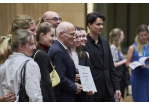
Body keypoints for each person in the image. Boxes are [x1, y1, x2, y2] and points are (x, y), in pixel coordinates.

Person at [82, 12, 121, 102]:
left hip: (108, 89)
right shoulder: (83, 44)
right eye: (98, 24)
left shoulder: (105, 42)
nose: (101, 27)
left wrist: (116, 87)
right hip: (92, 90)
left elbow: (111, 66)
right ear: (89, 25)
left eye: (102, 24)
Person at [0, 29, 42, 102]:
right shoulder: (30, 65)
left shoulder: (3, 63)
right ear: (20, 46)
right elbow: (35, 96)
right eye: (31, 44)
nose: (35, 47)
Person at [48, 22, 82, 102]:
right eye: (72, 34)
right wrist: (74, 87)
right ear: (61, 34)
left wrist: (73, 83)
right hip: (62, 98)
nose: (74, 37)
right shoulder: (58, 51)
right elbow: (60, 77)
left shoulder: (61, 49)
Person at [31, 22, 56, 101]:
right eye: (51, 36)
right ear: (42, 35)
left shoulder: (43, 51)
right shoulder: (40, 54)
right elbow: (46, 83)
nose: (54, 39)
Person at [69, 27, 94, 102]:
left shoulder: (83, 55)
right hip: (70, 92)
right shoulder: (64, 53)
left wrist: (90, 88)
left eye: (80, 37)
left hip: (83, 94)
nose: (79, 39)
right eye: (77, 37)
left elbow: (89, 74)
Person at [126, 24, 149, 102]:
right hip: (137, 78)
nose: (143, 37)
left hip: (147, 77)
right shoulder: (132, 47)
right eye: (141, 35)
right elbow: (127, 63)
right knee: (139, 100)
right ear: (138, 35)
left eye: (145, 35)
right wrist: (134, 64)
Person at [109, 28, 130, 101]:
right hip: (116, 77)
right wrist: (125, 60)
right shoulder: (113, 48)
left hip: (120, 76)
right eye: (122, 35)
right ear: (117, 37)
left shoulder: (117, 48)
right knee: (116, 98)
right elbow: (113, 64)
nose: (123, 37)